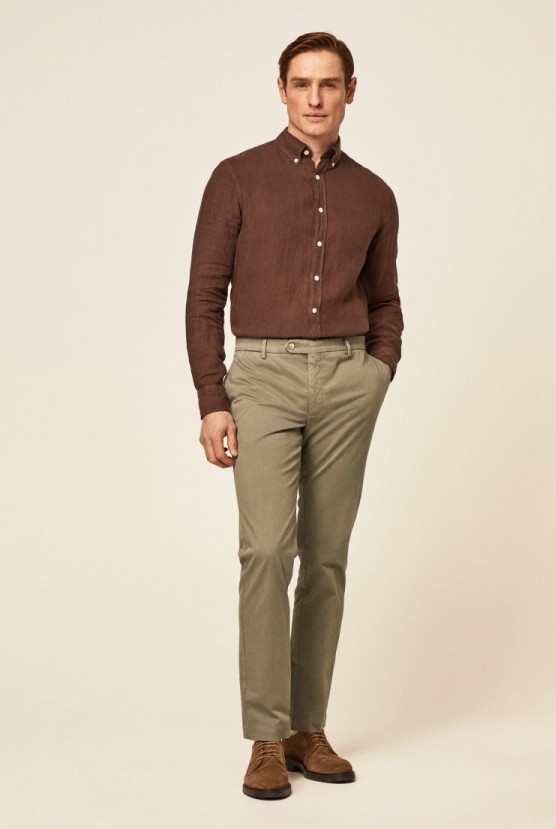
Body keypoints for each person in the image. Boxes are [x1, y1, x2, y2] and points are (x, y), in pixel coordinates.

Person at [185, 31, 404, 800]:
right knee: (268, 550)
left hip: (348, 378)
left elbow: (385, 298)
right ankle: (266, 735)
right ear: (281, 89)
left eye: (329, 84)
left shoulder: (375, 194)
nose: (315, 97)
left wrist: (378, 369)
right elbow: (204, 297)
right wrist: (213, 398)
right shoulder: (236, 178)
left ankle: (309, 728)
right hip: (264, 377)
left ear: (350, 92)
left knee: (327, 556)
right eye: (302, 83)